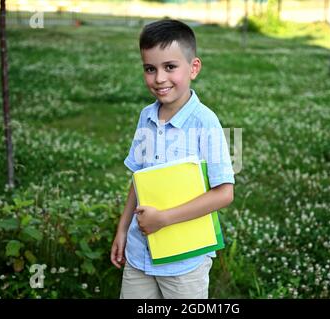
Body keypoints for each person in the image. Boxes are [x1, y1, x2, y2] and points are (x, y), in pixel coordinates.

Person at [110, 19, 235, 299]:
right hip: (138, 253)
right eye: (150, 69)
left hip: (184, 264)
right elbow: (138, 179)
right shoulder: (146, 116)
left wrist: (163, 219)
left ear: (194, 68)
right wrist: (121, 230)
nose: (159, 79)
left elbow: (224, 194)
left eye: (170, 67)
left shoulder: (206, 123)